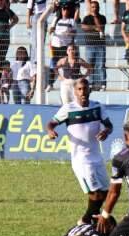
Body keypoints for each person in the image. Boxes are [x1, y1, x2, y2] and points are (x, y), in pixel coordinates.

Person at [47, 78, 113, 226]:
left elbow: (109, 125)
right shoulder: (68, 109)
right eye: (79, 89)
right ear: (75, 92)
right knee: (95, 193)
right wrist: (50, 131)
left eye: (85, 88)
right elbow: (51, 123)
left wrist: (106, 132)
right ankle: (86, 221)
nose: (83, 92)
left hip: (97, 157)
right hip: (81, 160)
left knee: (105, 192)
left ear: (89, 89)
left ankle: (89, 219)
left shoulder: (98, 107)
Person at [46, 3, 76, 92]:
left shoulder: (71, 21)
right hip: (55, 45)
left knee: (66, 64)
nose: (65, 11)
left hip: (65, 46)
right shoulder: (57, 20)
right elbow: (50, 31)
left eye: (67, 9)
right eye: (64, 9)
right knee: (53, 65)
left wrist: (68, 33)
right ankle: (50, 83)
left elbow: (74, 33)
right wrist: (52, 30)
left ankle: (69, 83)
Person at [81, 1, 107, 91]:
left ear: (99, 8)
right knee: (90, 65)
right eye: (92, 7)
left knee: (101, 65)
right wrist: (93, 28)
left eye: (96, 7)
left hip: (100, 46)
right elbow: (83, 27)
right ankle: (91, 83)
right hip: (89, 46)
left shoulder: (102, 17)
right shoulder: (86, 18)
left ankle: (103, 84)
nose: (94, 9)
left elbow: (100, 27)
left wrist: (95, 17)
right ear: (90, 8)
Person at [26, 0, 48, 64]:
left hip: (44, 16)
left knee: (41, 42)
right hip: (36, 16)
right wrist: (28, 21)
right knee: (34, 42)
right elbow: (29, 7)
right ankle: (34, 61)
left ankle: (39, 60)